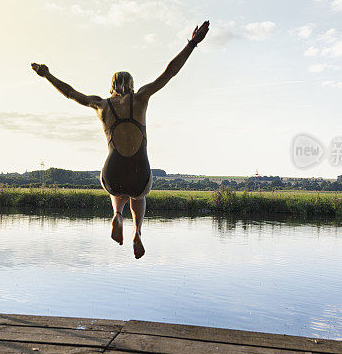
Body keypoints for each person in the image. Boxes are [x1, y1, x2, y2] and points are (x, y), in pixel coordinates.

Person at [31, 20, 209, 258]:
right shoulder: (142, 98)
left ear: (112, 85)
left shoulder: (101, 104)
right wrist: (192, 44)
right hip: (139, 170)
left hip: (112, 171)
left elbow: (71, 93)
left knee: (117, 191)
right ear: (132, 84)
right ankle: (137, 232)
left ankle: (117, 215)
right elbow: (170, 72)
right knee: (139, 195)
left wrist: (47, 75)